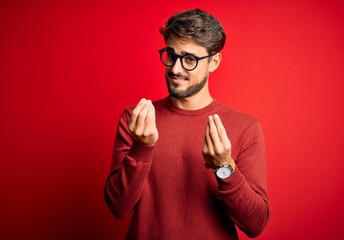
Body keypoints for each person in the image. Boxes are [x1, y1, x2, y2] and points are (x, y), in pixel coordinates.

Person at [104, 8, 270, 240]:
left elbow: (255, 224)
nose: (176, 68)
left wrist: (224, 167)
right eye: (171, 55)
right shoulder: (138, 119)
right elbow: (117, 207)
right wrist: (141, 146)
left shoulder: (245, 128)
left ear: (214, 62)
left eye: (190, 59)